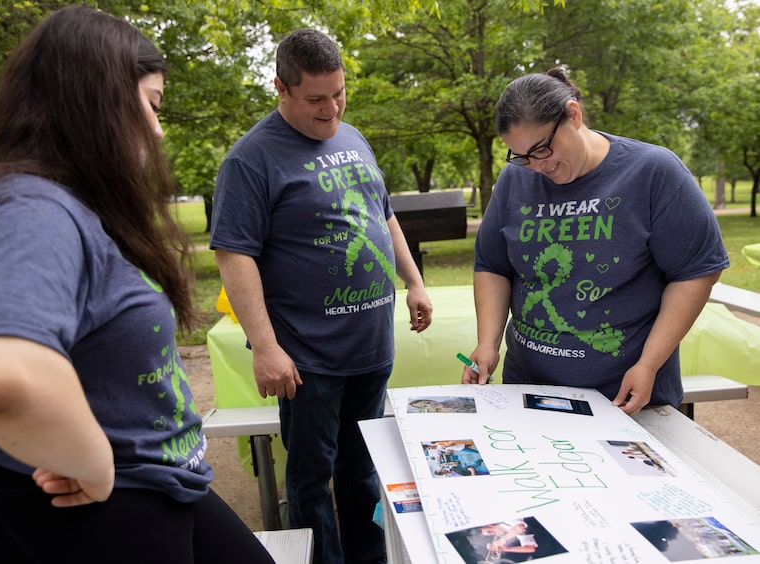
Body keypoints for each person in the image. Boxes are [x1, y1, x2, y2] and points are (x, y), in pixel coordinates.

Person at [0, 6, 274, 563]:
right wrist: (93, 461)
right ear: (93, 97)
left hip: (160, 488)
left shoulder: (76, 206)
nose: (159, 128)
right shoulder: (26, 207)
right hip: (81, 509)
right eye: (151, 103)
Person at [210, 28, 433, 564]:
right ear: (281, 89)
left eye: (339, 93)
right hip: (308, 358)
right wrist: (265, 347)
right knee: (311, 481)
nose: (331, 108)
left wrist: (415, 281)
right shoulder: (250, 160)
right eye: (316, 98)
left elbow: (384, 216)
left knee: (361, 472)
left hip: (369, 347)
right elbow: (234, 256)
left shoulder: (353, 137)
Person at [462, 67, 729, 415]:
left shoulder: (652, 172)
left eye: (542, 148)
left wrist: (648, 364)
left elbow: (696, 272)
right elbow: (492, 265)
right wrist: (488, 342)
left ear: (573, 115)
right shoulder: (515, 179)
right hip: (526, 390)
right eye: (522, 156)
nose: (537, 166)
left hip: (623, 396)